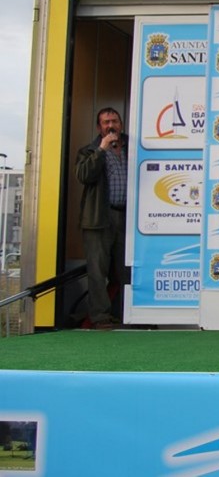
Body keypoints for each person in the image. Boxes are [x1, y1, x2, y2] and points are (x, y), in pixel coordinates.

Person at [75, 107, 130, 330]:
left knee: (125, 270)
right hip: (98, 219)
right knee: (97, 271)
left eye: (114, 121)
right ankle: (100, 318)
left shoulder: (134, 149)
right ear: (99, 127)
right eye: (105, 122)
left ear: (121, 124)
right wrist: (101, 150)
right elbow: (84, 176)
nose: (110, 126)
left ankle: (127, 314)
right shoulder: (89, 151)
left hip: (127, 218)